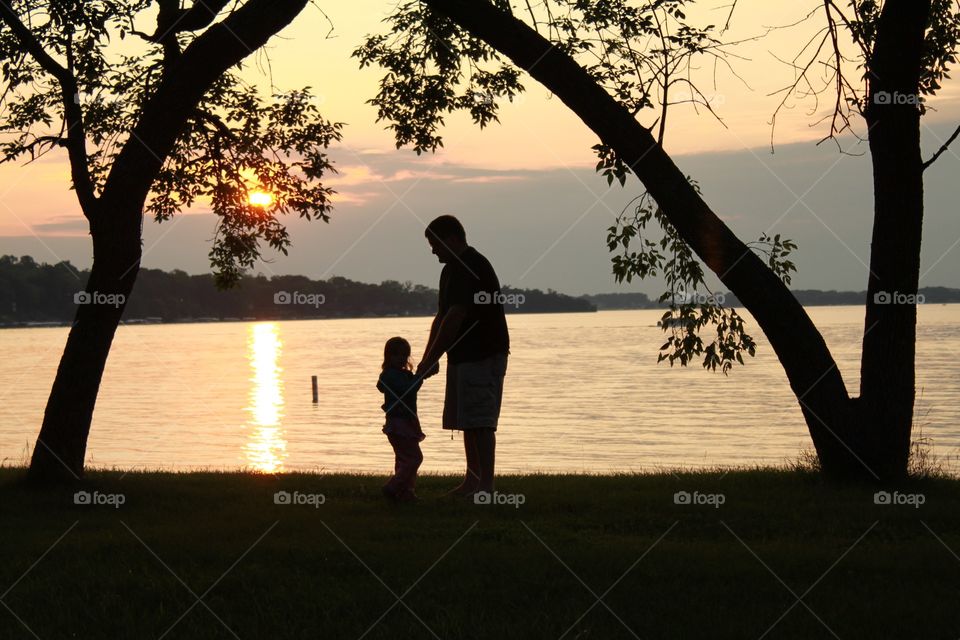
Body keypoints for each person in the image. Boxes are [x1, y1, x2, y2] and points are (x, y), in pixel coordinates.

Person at [416, 215, 509, 497]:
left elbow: (457, 316)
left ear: (453, 239)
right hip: (462, 356)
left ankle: (486, 487)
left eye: (435, 244)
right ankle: (472, 482)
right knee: (468, 421)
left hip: (483, 353)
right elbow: (442, 317)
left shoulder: (471, 266)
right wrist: (427, 358)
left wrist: (432, 359)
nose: (433, 250)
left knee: (481, 422)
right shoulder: (450, 270)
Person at [378, 336, 426, 502]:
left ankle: (406, 492)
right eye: (396, 354)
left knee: (403, 458)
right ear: (388, 356)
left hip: (406, 421)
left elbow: (410, 385)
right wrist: (420, 376)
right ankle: (394, 486)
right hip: (400, 423)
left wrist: (418, 376)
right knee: (414, 458)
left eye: (404, 355)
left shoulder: (402, 374)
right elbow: (408, 390)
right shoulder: (391, 375)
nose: (401, 358)